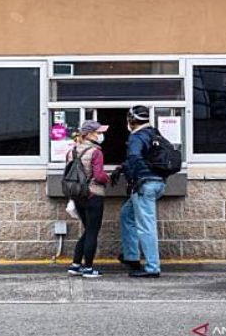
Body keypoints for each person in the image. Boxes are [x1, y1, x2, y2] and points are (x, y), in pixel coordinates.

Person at [118, 105, 166, 278]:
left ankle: (152, 267)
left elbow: (135, 157)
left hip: (144, 185)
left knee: (146, 227)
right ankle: (131, 257)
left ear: (131, 120)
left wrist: (134, 177)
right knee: (126, 215)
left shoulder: (136, 137)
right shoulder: (154, 133)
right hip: (158, 183)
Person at [67, 120, 111, 278]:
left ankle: (75, 264)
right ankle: (89, 268)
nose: (101, 135)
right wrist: (109, 178)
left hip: (78, 196)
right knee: (92, 232)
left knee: (88, 231)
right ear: (89, 134)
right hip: (94, 195)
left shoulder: (72, 151)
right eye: (98, 132)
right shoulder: (96, 152)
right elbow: (99, 176)